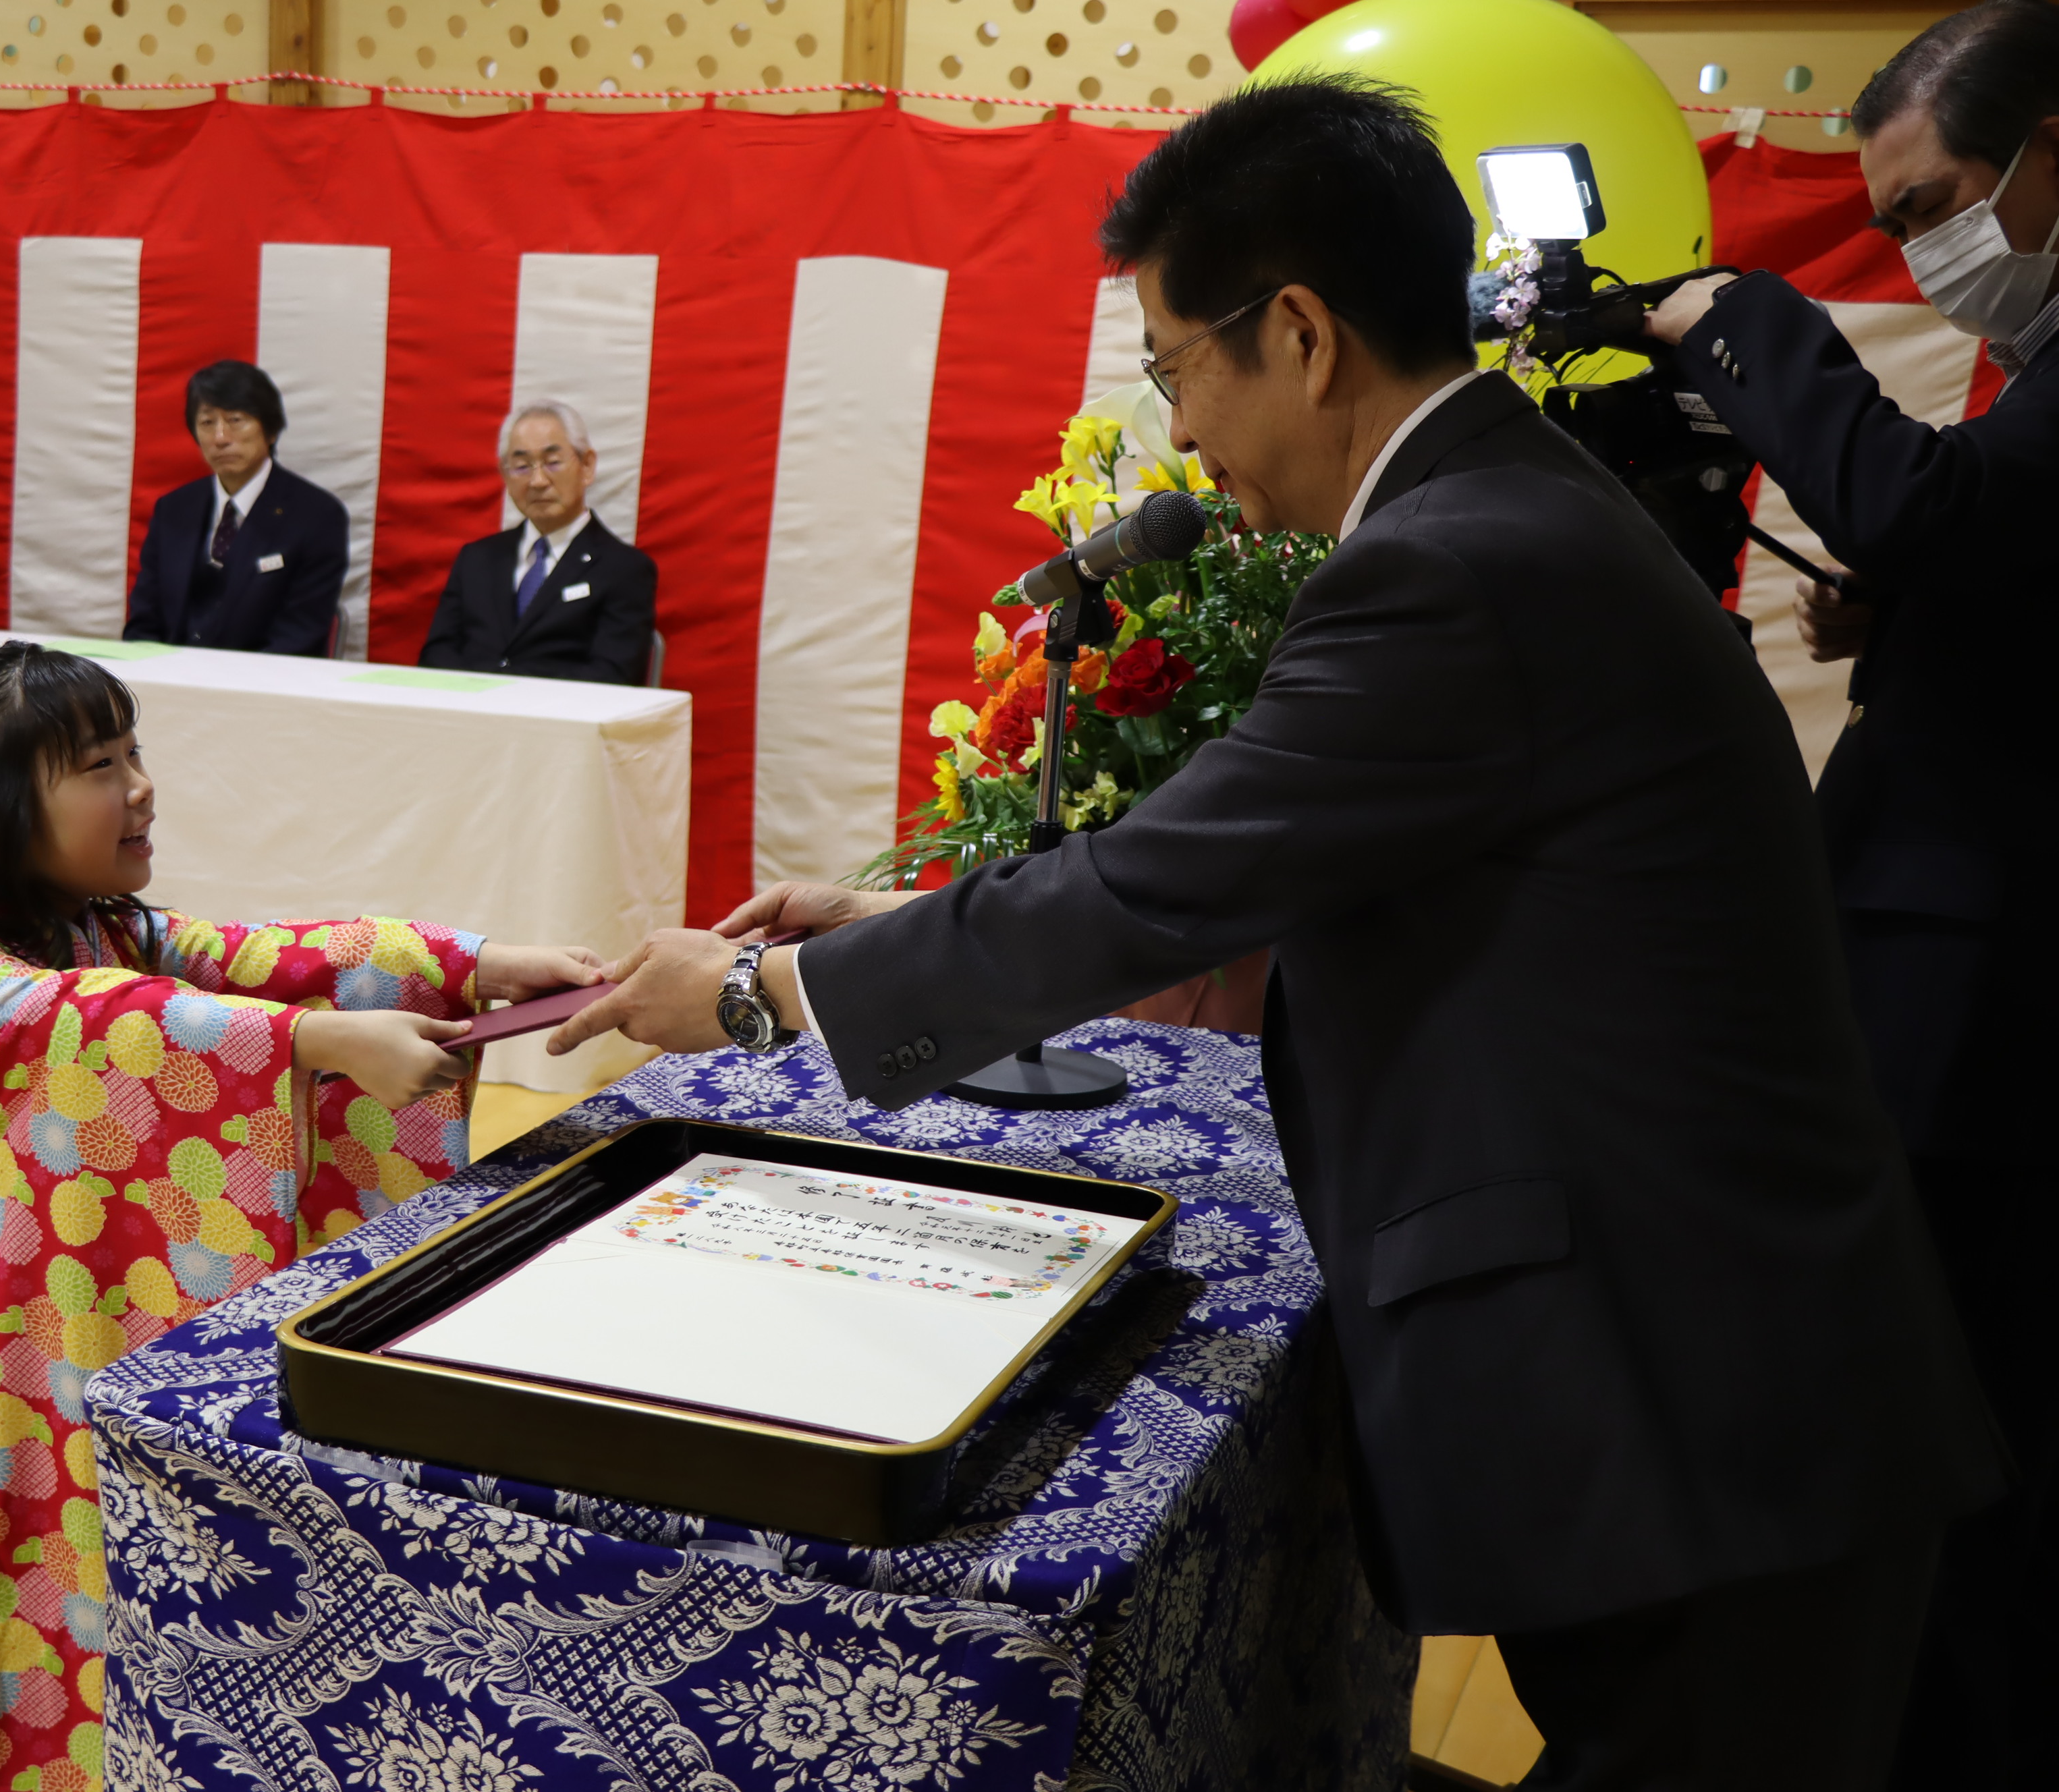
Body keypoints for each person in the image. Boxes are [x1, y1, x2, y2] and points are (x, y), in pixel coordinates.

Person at [556, 77, 2005, 1790]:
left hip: (1707, 1422)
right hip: (1737, 1394)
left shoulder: (1450, 565)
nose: (1178, 431)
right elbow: (1303, 863)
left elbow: (1153, 888)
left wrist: (753, 993)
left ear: (1300, 334)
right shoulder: (1504, 507)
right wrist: (898, 914)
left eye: (1176, 366)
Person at [0, 634, 598, 1792]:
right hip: (12, 1347)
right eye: (96, 766)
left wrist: (470, 963)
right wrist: (313, 1043)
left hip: (75, 1316)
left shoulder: (97, 923)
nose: (139, 785)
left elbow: (245, 960)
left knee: (119, 1589)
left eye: (131, 751)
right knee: (34, 1599)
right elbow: (101, 1022)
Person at [1643, 8, 2058, 1783]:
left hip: (1993, 1024)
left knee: (1971, 1449)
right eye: (1888, 229)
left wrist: (1743, 317)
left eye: (1939, 204)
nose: (1927, 257)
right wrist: (1929, 630)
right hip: (1953, 985)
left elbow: (1928, 504)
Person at [419, 401, 658, 684]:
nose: (538, 481)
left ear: (587, 466)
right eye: (521, 466)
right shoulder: (477, 559)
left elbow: (613, 676)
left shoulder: (624, 569)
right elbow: (436, 656)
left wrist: (507, 690)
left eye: (553, 462)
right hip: (469, 718)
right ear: (505, 475)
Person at [123, 361, 346, 654]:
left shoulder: (316, 515)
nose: (221, 438)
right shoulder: (174, 509)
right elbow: (144, 621)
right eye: (207, 423)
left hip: (265, 685)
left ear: (271, 430)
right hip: (170, 679)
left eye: (236, 420)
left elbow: (300, 633)